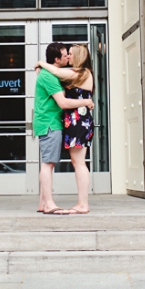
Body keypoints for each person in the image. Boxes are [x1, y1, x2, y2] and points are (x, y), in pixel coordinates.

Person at [34, 42, 94, 215]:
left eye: (71, 54)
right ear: (57, 58)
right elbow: (55, 75)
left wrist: (40, 64)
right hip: (72, 120)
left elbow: (57, 72)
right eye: (66, 54)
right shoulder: (73, 74)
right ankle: (45, 202)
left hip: (78, 121)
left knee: (78, 162)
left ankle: (82, 204)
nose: (69, 56)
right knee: (66, 162)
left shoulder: (82, 73)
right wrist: (43, 68)